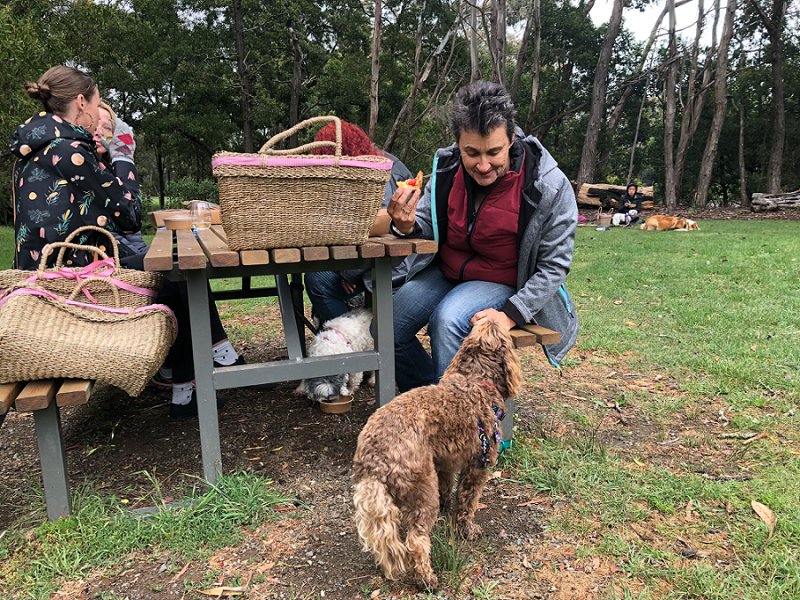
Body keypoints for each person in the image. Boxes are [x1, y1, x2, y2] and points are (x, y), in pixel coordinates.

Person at [385, 80, 579, 392]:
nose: (484, 165)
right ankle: (431, 401)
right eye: (471, 153)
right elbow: (424, 221)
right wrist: (405, 225)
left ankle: (470, 432)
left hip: (504, 279)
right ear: (457, 144)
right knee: (386, 325)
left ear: (512, 139)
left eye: (494, 152)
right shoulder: (447, 169)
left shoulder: (549, 185)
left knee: (448, 321)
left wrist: (511, 314)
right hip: (447, 270)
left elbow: (554, 266)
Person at [91, 100, 255, 420]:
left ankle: (189, 382)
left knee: (180, 265)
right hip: (97, 271)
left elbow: (129, 225)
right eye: (94, 125)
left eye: (107, 128)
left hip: (112, 258)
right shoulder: (86, 163)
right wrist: (123, 151)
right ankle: (209, 365)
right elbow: (129, 218)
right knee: (177, 271)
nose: (100, 132)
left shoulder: (100, 167)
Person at [11, 66, 139, 269]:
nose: (98, 118)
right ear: (81, 103)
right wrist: (123, 155)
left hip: (38, 271)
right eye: (96, 105)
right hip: (74, 275)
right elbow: (130, 217)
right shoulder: (71, 151)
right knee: (173, 273)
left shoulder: (32, 149)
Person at [304, 120, 413, 324]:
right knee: (316, 276)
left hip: (392, 266)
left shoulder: (376, 172)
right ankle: (353, 337)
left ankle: (356, 341)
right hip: (366, 263)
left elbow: (378, 228)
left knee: (318, 281)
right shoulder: (373, 163)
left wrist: (348, 272)